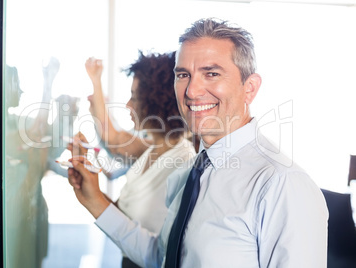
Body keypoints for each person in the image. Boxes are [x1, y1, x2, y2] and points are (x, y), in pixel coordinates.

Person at [68, 18, 328, 267]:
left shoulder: (282, 184)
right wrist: (94, 201)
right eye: (183, 75)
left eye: (211, 73)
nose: (191, 91)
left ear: (250, 88)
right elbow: (163, 259)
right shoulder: (189, 174)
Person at [73, 51, 196, 267]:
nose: (128, 105)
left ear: (157, 104)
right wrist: (90, 187)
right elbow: (124, 219)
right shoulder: (153, 150)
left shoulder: (182, 165)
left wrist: (95, 199)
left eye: (135, 97)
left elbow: (159, 256)